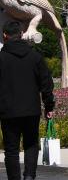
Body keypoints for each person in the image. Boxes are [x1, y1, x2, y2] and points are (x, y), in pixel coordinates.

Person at [0, 21, 55, 180]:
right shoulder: (35, 57)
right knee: (31, 144)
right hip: (31, 110)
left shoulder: (1, 58)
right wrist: (49, 106)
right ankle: (29, 176)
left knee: (11, 149)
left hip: (7, 111)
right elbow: (46, 84)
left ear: (5, 35)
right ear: (22, 34)